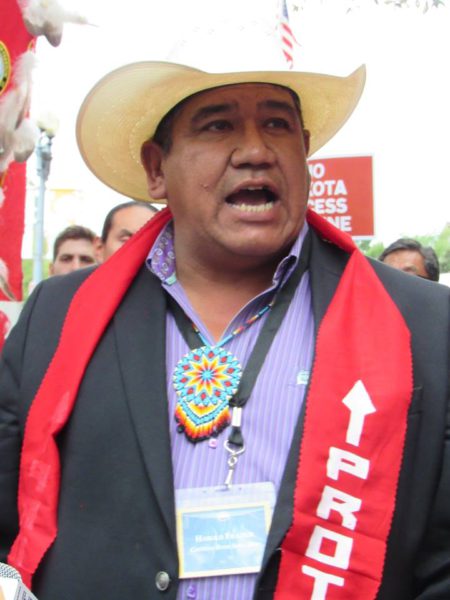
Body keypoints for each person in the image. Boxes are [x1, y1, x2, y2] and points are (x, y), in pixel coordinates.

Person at [0, 61, 449, 600]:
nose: (256, 151)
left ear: (304, 151)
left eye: (278, 125)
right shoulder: (58, 316)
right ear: (156, 169)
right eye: (218, 125)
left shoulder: (422, 326)